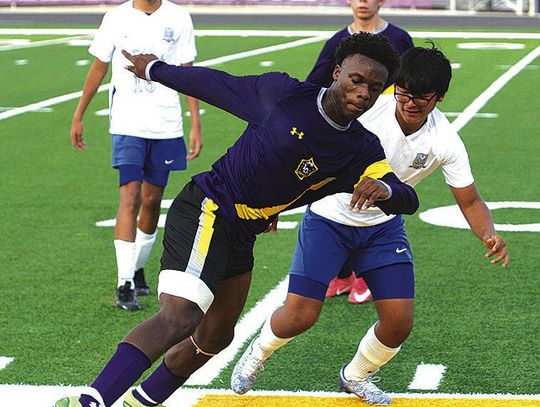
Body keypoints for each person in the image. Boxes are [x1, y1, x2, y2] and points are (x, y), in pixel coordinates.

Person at [54, 33, 419, 407]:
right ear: (338, 71)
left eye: (374, 88)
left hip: (244, 231)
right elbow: (216, 85)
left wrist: (388, 192)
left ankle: (141, 401)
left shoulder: (362, 149)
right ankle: (91, 400)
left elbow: (408, 198)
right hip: (209, 206)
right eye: (357, 80)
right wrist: (154, 68)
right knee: (180, 316)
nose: (362, 93)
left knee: (215, 338)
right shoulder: (282, 95)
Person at [231, 45, 510, 405]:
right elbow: (301, 149)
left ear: (439, 97)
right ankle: (258, 353)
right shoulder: (365, 112)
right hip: (329, 218)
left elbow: (469, 199)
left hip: (382, 227)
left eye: (422, 98)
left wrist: (488, 233)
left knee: (398, 323)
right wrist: (275, 206)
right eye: (404, 93)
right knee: (299, 316)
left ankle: (356, 375)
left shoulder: (445, 141)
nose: (410, 103)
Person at [70, 0, 202, 311]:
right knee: (130, 197)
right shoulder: (116, 17)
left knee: (152, 201)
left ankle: (137, 266)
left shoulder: (179, 17)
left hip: (167, 124)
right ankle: (125, 282)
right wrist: (79, 114)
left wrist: (195, 122)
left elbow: (187, 71)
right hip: (127, 123)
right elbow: (99, 66)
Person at [307, 0, 414, 304]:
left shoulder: (400, 39)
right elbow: (314, 85)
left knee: (372, 198)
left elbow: (412, 84)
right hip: (344, 133)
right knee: (331, 196)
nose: (363, 2)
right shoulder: (337, 43)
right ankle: (342, 275)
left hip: (382, 138)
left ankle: (366, 273)